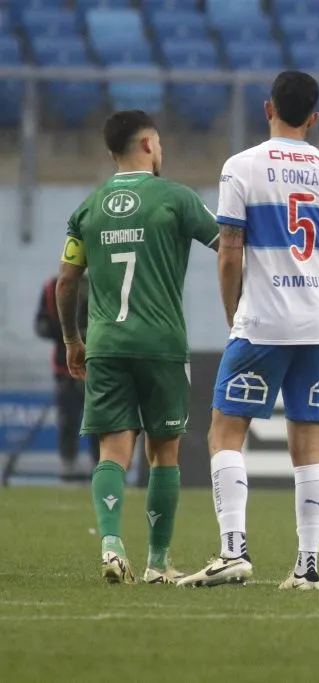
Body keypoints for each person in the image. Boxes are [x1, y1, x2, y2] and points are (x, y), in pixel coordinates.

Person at [177, 71, 319, 591]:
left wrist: (233, 311)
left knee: (225, 432)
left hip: (262, 320)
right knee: (308, 443)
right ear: (314, 117)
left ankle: (233, 551)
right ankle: (307, 566)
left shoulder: (242, 166)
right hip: (317, 325)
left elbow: (229, 249)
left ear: (268, 108)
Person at [55, 109, 222, 584]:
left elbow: (66, 282)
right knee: (163, 452)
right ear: (148, 144)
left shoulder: (87, 209)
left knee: (113, 449)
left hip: (105, 344)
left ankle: (111, 544)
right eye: (160, 142)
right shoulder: (177, 198)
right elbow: (228, 245)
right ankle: (157, 562)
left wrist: (72, 339)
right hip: (161, 344)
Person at [35, 273, 99, 479]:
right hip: (65, 368)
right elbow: (41, 324)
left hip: (97, 367)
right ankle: (68, 463)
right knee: (67, 419)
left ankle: (102, 465)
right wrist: (67, 333)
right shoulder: (52, 287)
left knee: (99, 419)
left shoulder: (100, 283)